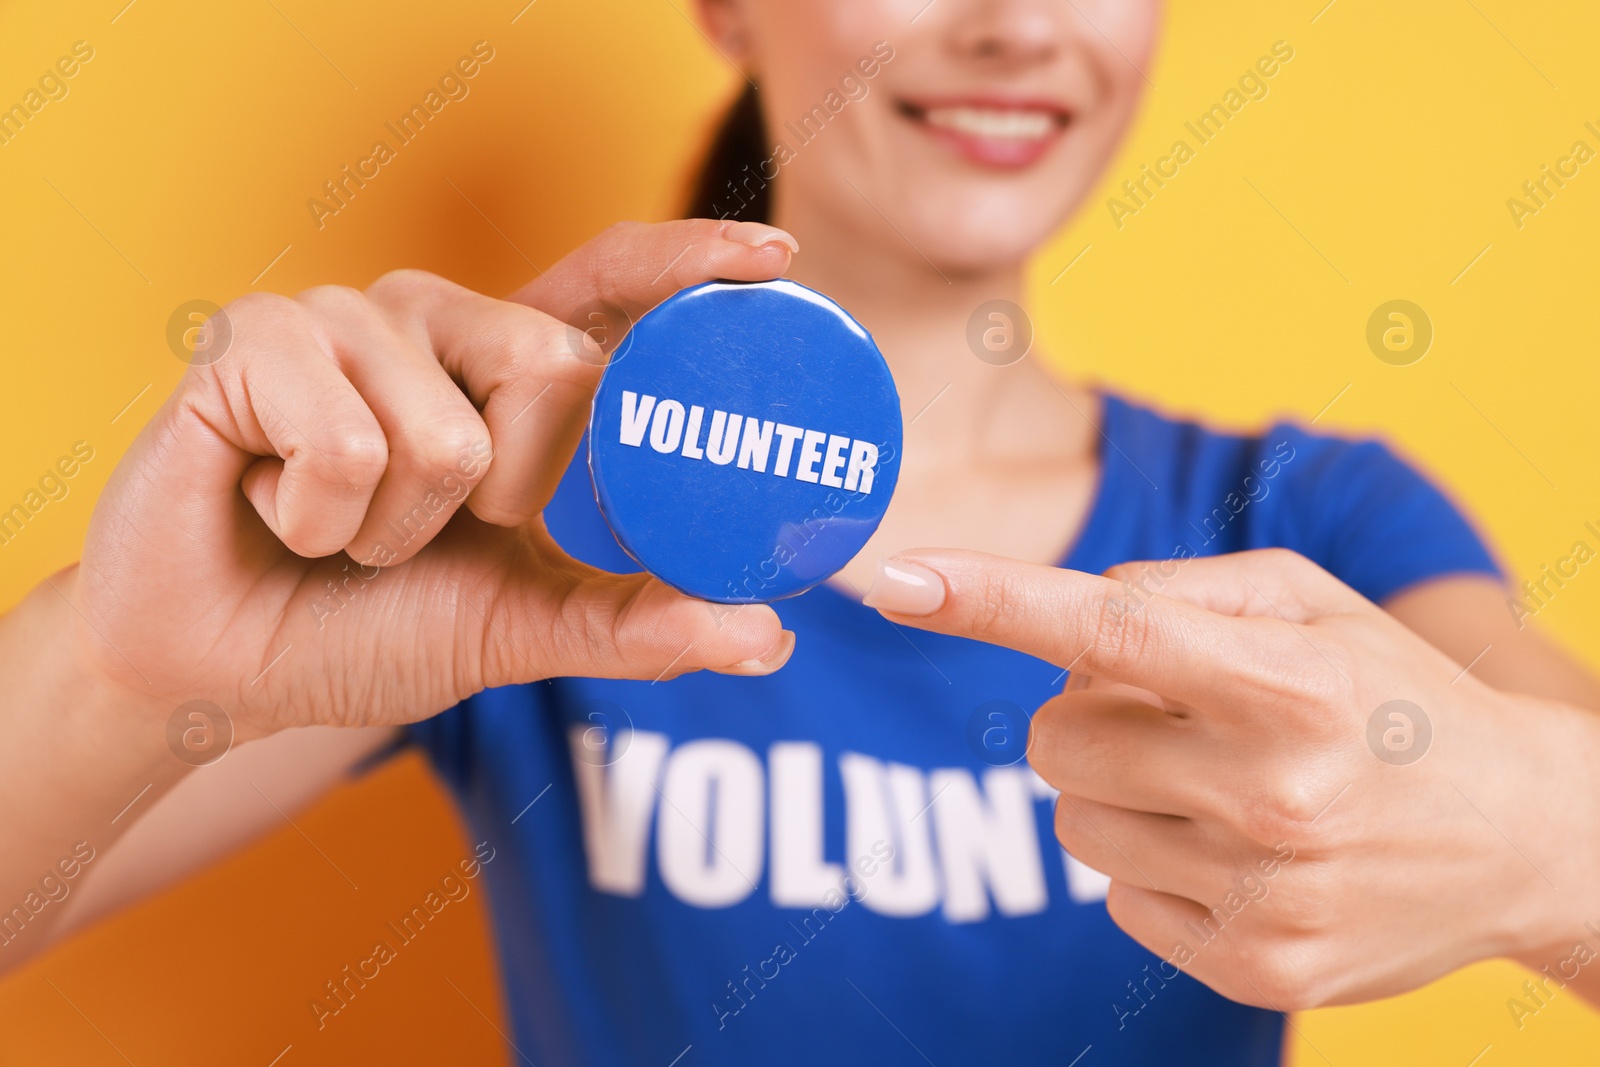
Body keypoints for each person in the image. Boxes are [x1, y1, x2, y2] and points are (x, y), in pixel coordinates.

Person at [3, 0, 1597, 1063]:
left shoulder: (1304, 521)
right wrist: (131, 663)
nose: (1015, 23)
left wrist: (1545, 839)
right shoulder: (496, 508)